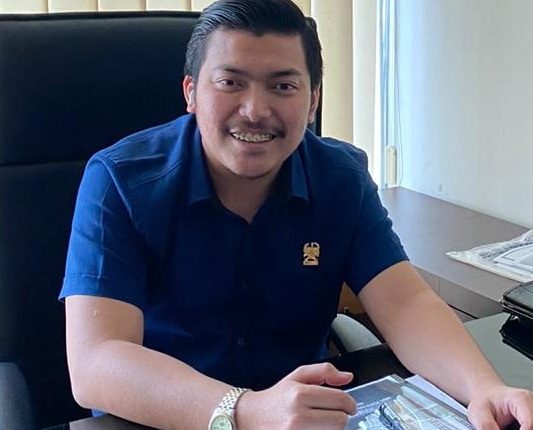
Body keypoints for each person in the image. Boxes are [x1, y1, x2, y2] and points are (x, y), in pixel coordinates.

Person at [60, 0, 533, 429]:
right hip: (160, 415)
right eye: (230, 82)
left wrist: (483, 389)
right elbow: (96, 360)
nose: (254, 110)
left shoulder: (340, 178)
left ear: (312, 101)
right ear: (191, 93)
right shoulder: (120, 181)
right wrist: (246, 411)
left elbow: (404, 302)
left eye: (282, 86)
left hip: (305, 418)